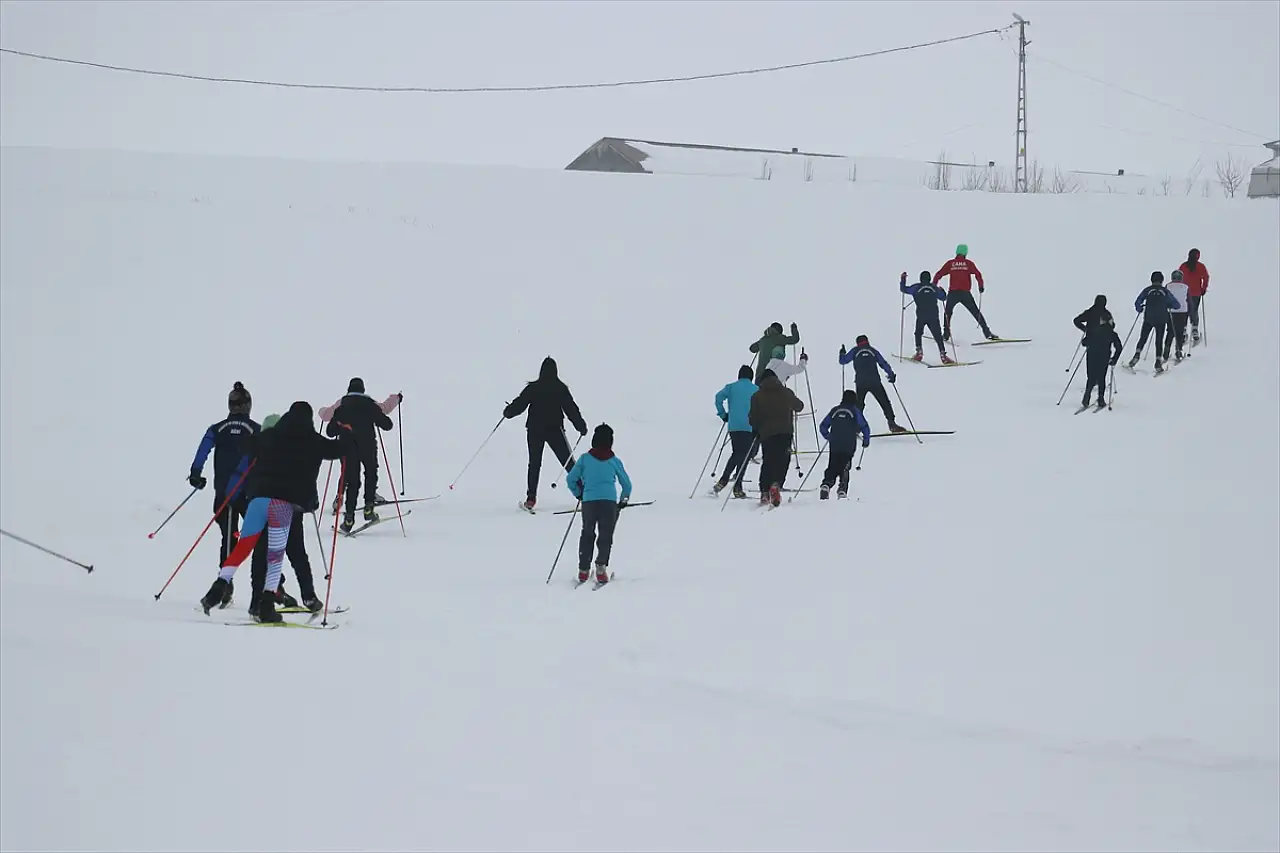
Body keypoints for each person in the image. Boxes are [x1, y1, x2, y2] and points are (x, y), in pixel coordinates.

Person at [201, 401, 351, 623]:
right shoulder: (311, 440)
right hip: (282, 505)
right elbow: (339, 450)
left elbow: (247, 445)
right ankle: (266, 607)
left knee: (243, 547)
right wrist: (346, 433)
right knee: (275, 557)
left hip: (257, 501)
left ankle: (217, 589)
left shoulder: (270, 436)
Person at [187, 381, 259, 608]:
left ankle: (225, 585)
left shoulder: (216, 428)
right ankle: (272, 588)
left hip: (223, 493)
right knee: (259, 537)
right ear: (248, 405)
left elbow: (202, 452)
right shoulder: (256, 429)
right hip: (248, 494)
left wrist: (195, 474)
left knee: (229, 538)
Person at [504, 357, 588, 511]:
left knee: (534, 464)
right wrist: (580, 426)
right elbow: (571, 409)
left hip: (534, 430)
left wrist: (508, 412)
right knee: (568, 462)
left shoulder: (533, 388)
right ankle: (585, 495)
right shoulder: (561, 388)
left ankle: (530, 499)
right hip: (555, 430)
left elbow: (520, 404)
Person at [324, 379, 398, 534]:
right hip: (368, 446)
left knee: (352, 481)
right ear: (363, 390)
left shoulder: (342, 408)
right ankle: (369, 508)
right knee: (371, 473)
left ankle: (349, 517)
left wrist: (340, 426)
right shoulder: (370, 406)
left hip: (347, 447)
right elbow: (387, 425)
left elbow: (330, 432)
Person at [566, 424, 633, 587]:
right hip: (609, 503)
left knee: (587, 533)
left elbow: (571, 479)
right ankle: (601, 568)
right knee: (606, 535)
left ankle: (583, 569)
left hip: (589, 501)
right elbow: (627, 485)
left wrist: (579, 493)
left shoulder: (584, 459)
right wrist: (623, 500)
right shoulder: (614, 461)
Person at [748, 368, 804, 507]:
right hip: (785, 432)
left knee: (768, 460)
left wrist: (756, 428)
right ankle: (776, 484)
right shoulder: (786, 392)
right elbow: (799, 406)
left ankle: (764, 492)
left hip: (767, 434)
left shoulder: (757, 396)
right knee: (783, 459)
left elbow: (752, 418)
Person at [838, 335, 906, 433]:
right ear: (867, 341)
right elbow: (883, 363)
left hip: (860, 382)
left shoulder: (855, 351)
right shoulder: (873, 351)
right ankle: (892, 424)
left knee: (859, 405)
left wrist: (842, 353)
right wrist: (891, 375)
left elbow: (843, 361)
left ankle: (856, 427)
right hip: (875, 381)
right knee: (884, 402)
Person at [933, 244, 998, 341]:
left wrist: (934, 286)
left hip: (953, 293)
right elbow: (978, 274)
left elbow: (939, 274)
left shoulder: (951, 263)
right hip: (965, 293)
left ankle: (946, 335)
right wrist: (981, 286)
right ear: (965, 253)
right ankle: (987, 333)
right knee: (976, 312)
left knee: (947, 313)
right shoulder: (968, 263)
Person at [712, 365, 758, 498]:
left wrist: (723, 414)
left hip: (734, 426)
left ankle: (724, 481)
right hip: (749, 426)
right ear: (751, 377)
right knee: (744, 456)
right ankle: (736, 486)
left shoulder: (731, 387)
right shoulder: (756, 389)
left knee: (737, 453)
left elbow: (718, 398)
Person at [818, 390, 870, 500]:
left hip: (835, 444)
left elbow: (823, 426)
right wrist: (866, 440)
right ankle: (842, 489)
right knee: (845, 466)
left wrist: (829, 436)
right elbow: (864, 426)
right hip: (849, 444)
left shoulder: (835, 410)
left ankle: (826, 484)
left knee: (833, 464)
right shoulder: (854, 411)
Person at [1127, 271, 1180, 374]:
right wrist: (1168, 305)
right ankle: (1158, 362)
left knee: (1143, 338)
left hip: (1148, 318)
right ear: (1162, 280)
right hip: (1161, 319)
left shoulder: (1147, 290)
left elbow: (1138, 301)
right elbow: (1176, 305)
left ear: (1151, 280)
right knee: (1159, 340)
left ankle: (1136, 355)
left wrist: (1140, 308)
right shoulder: (1165, 291)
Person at [900, 271, 952, 363]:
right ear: (929, 278)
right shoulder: (934, 288)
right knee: (938, 336)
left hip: (921, 315)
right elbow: (943, 298)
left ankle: (919, 352)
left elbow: (904, 289)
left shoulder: (916, 287)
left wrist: (903, 279)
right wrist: (943, 291)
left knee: (918, 333)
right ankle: (943, 355)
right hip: (933, 315)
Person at [1080, 317, 1123, 410]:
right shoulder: (1112, 334)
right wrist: (1114, 359)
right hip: (1104, 357)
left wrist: (1089, 343)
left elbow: (1084, 342)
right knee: (1101, 377)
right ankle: (1100, 399)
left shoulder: (1093, 331)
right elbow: (1119, 347)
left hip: (1091, 356)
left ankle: (1086, 396)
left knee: (1091, 377)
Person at [1178, 248, 1209, 345]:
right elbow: (1206, 277)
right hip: (1196, 293)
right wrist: (1203, 288)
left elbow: (1179, 277)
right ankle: (1194, 330)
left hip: (1184, 292)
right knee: (1194, 310)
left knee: (1184, 311)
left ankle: (1183, 330)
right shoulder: (1200, 266)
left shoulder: (1183, 266)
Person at [1164, 269, 1191, 363]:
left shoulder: (1168, 286)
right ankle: (1178, 350)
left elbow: (1165, 298)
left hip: (1171, 311)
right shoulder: (1186, 287)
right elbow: (1189, 300)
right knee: (1179, 332)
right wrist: (1191, 313)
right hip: (1183, 311)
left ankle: (1166, 349)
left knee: (1170, 331)